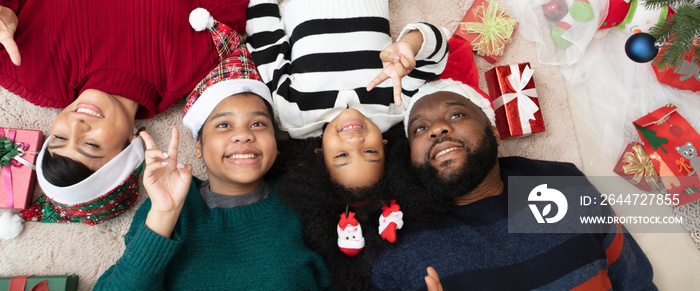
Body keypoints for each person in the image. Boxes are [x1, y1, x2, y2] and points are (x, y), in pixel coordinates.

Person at [369, 37, 657, 290]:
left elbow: (636, 283)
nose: (437, 129)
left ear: (494, 131)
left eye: (456, 115)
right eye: (419, 129)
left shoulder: (563, 183)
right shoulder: (395, 246)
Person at [93, 14, 330, 290]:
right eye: (224, 125)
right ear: (198, 146)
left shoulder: (305, 201)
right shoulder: (170, 211)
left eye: (258, 123)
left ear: (276, 144)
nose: (243, 134)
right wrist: (164, 214)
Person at [0, 0, 247, 224]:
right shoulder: (190, 66)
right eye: (91, 144)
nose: (77, 125)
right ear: (130, 145)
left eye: (60, 138)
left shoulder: (30, 73)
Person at [245, 0, 448, 190]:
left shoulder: (293, 114)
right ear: (384, 146)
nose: (354, 140)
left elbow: (267, 50)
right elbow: (438, 49)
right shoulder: (394, 105)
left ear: (320, 154)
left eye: (342, 155)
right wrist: (409, 45)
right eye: (370, 152)